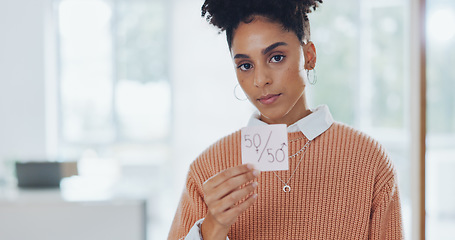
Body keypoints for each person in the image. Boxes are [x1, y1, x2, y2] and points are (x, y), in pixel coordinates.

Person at [168, 0, 403, 239]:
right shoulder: (208, 168)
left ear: (309, 56)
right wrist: (212, 227)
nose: (260, 80)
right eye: (246, 65)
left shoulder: (368, 159)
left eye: (276, 57)